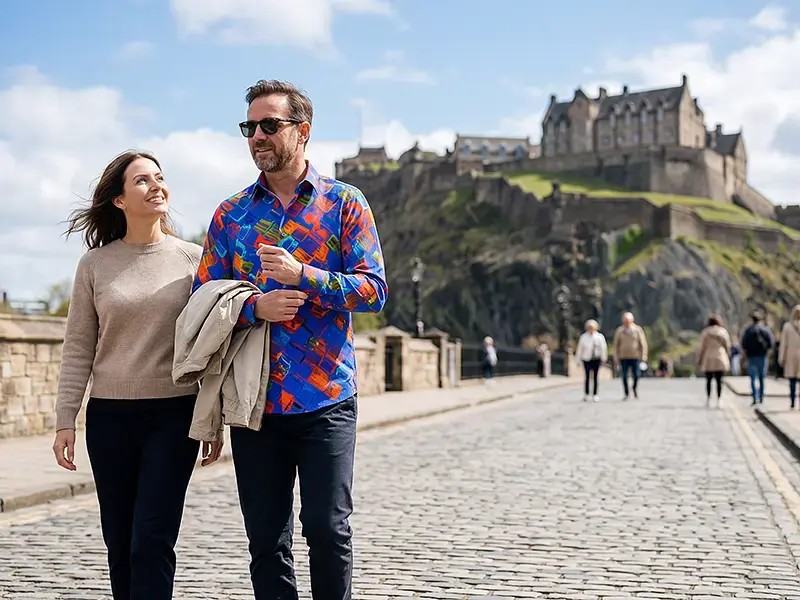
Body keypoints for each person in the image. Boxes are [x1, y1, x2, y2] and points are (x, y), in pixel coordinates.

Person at [194, 79, 387, 600]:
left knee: (328, 529)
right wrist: (255, 307)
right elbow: (202, 301)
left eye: (269, 125)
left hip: (326, 397)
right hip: (256, 402)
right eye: (249, 127)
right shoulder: (230, 215)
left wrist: (306, 276)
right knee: (265, 540)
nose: (257, 135)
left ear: (302, 131)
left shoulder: (345, 202)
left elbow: (373, 291)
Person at [52, 151, 223, 600]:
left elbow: (211, 346)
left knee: (151, 539)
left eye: (160, 178)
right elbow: (78, 348)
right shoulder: (94, 265)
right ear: (120, 200)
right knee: (120, 542)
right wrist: (65, 419)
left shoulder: (194, 260)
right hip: (109, 419)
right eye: (143, 180)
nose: (156, 187)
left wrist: (212, 416)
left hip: (174, 415)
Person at [696, 314, 732, 407]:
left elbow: (701, 347)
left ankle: (708, 399)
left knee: (708, 380)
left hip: (708, 358)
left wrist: (699, 359)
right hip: (720, 357)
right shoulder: (723, 332)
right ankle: (719, 399)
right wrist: (728, 356)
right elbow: (727, 345)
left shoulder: (705, 332)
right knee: (719, 380)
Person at [741, 311, 775, 405]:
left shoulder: (748, 330)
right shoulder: (766, 330)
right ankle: (761, 396)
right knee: (761, 377)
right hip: (762, 356)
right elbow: (771, 343)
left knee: (753, 378)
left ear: (752, 320)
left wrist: (743, 357)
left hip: (751, 357)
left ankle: (754, 396)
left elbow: (744, 344)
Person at [612, 312, 648, 400]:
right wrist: (615, 357)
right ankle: (626, 393)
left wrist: (643, 356)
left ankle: (634, 388)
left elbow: (642, 343)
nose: (627, 322)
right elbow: (616, 345)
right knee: (624, 375)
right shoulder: (620, 331)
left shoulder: (637, 330)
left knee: (636, 375)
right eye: (625, 321)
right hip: (623, 357)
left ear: (632, 321)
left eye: (628, 321)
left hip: (635, 356)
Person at [576, 319, 607, 402]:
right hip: (586, 359)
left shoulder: (599, 337)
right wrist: (578, 360)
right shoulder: (583, 337)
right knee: (587, 377)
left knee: (595, 377)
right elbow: (580, 349)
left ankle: (595, 394)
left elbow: (603, 348)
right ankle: (586, 394)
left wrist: (604, 358)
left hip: (596, 359)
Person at [778, 305, 800, 409]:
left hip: (791, 356)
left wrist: (781, 358)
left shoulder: (787, 326)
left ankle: (792, 401)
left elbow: (784, 344)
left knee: (792, 380)